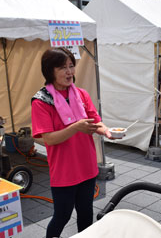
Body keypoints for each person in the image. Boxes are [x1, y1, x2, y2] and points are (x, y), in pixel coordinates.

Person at [31, 48, 117, 237]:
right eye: (63, 67)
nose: (69, 72)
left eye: (71, 66)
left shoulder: (81, 94)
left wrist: (108, 132)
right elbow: (48, 139)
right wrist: (76, 127)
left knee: (86, 213)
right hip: (64, 171)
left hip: (87, 165)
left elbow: (95, 121)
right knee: (62, 215)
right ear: (49, 70)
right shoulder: (42, 101)